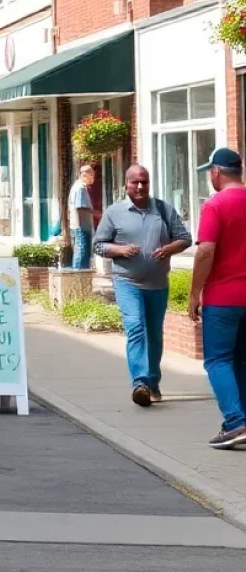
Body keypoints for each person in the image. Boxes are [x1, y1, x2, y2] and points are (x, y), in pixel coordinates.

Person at [93, 165, 191, 407]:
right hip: (127, 281)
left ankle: (153, 382)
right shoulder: (114, 212)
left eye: (144, 182)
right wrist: (120, 250)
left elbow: (185, 238)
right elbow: (99, 245)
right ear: (126, 184)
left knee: (154, 335)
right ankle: (140, 383)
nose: (139, 187)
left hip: (157, 283)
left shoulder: (163, 209)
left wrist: (169, 248)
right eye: (135, 182)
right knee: (136, 328)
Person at [190, 147, 246, 449]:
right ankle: (240, 421)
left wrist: (194, 293)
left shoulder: (215, 205)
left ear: (215, 172)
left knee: (218, 360)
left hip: (224, 297)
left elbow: (206, 250)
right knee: (241, 360)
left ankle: (236, 423)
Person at [66, 162, 96, 270]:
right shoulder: (80, 188)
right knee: (82, 254)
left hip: (77, 226)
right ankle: (79, 279)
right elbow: (81, 207)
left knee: (80, 252)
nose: (93, 177)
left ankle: (78, 279)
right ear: (86, 174)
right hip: (81, 227)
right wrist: (97, 213)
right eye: (92, 174)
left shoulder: (77, 186)